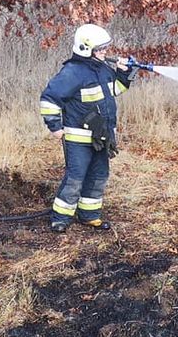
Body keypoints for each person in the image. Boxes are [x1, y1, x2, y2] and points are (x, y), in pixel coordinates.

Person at [39, 24, 137, 233]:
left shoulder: (103, 69)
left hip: (101, 136)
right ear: (86, 48)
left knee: (98, 176)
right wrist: (55, 126)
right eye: (100, 49)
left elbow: (115, 90)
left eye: (105, 48)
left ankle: (89, 215)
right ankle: (61, 218)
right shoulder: (72, 72)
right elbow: (49, 99)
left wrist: (125, 73)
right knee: (75, 178)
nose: (105, 52)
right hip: (79, 138)